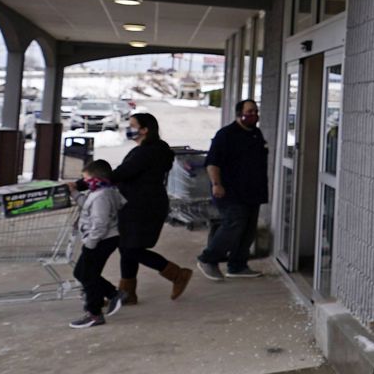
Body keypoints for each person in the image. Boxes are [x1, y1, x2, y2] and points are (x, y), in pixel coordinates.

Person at [112, 112, 193, 303]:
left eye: (132, 125)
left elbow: (121, 173)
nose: (128, 129)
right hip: (140, 204)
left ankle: (177, 274)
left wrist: (88, 181)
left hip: (143, 207)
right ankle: (127, 293)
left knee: (131, 248)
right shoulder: (153, 149)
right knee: (127, 247)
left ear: (144, 129)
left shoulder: (146, 152)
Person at [196, 99, 269, 281]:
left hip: (253, 191)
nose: (254, 115)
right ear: (239, 114)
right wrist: (216, 184)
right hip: (230, 191)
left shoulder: (255, 134)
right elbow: (213, 163)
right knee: (234, 224)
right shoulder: (226, 135)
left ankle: (237, 265)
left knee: (248, 230)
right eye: (249, 112)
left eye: (256, 112)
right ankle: (208, 259)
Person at [70, 159, 125, 329]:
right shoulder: (99, 192)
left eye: (86, 180)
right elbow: (87, 206)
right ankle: (113, 293)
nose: (84, 183)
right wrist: (74, 193)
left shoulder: (102, 196)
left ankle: (94, 314)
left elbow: (100, 223)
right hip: (101, 239)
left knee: (88, 275)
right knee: (81, 272)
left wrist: (91, 243)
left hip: (101, 240)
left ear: (97, 178)